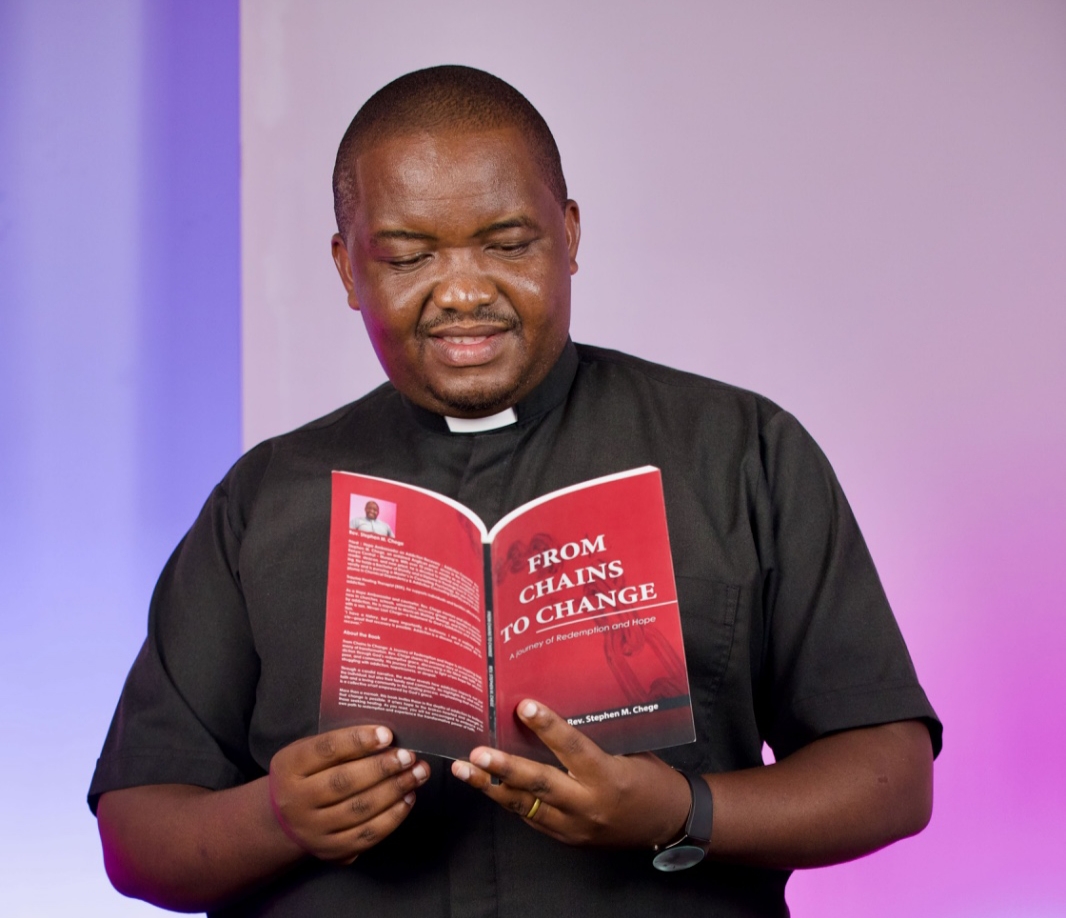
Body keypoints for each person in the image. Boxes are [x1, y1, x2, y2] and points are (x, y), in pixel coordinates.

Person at [90, 65, 941, 917]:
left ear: (568, 236)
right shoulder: (264, 497)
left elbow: (892, 777)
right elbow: (137, 833)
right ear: (349, 269)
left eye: (507, 243)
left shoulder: (741, 452)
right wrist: (276, 817)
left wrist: (684, 811)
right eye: (408, 255)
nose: (462, 291)